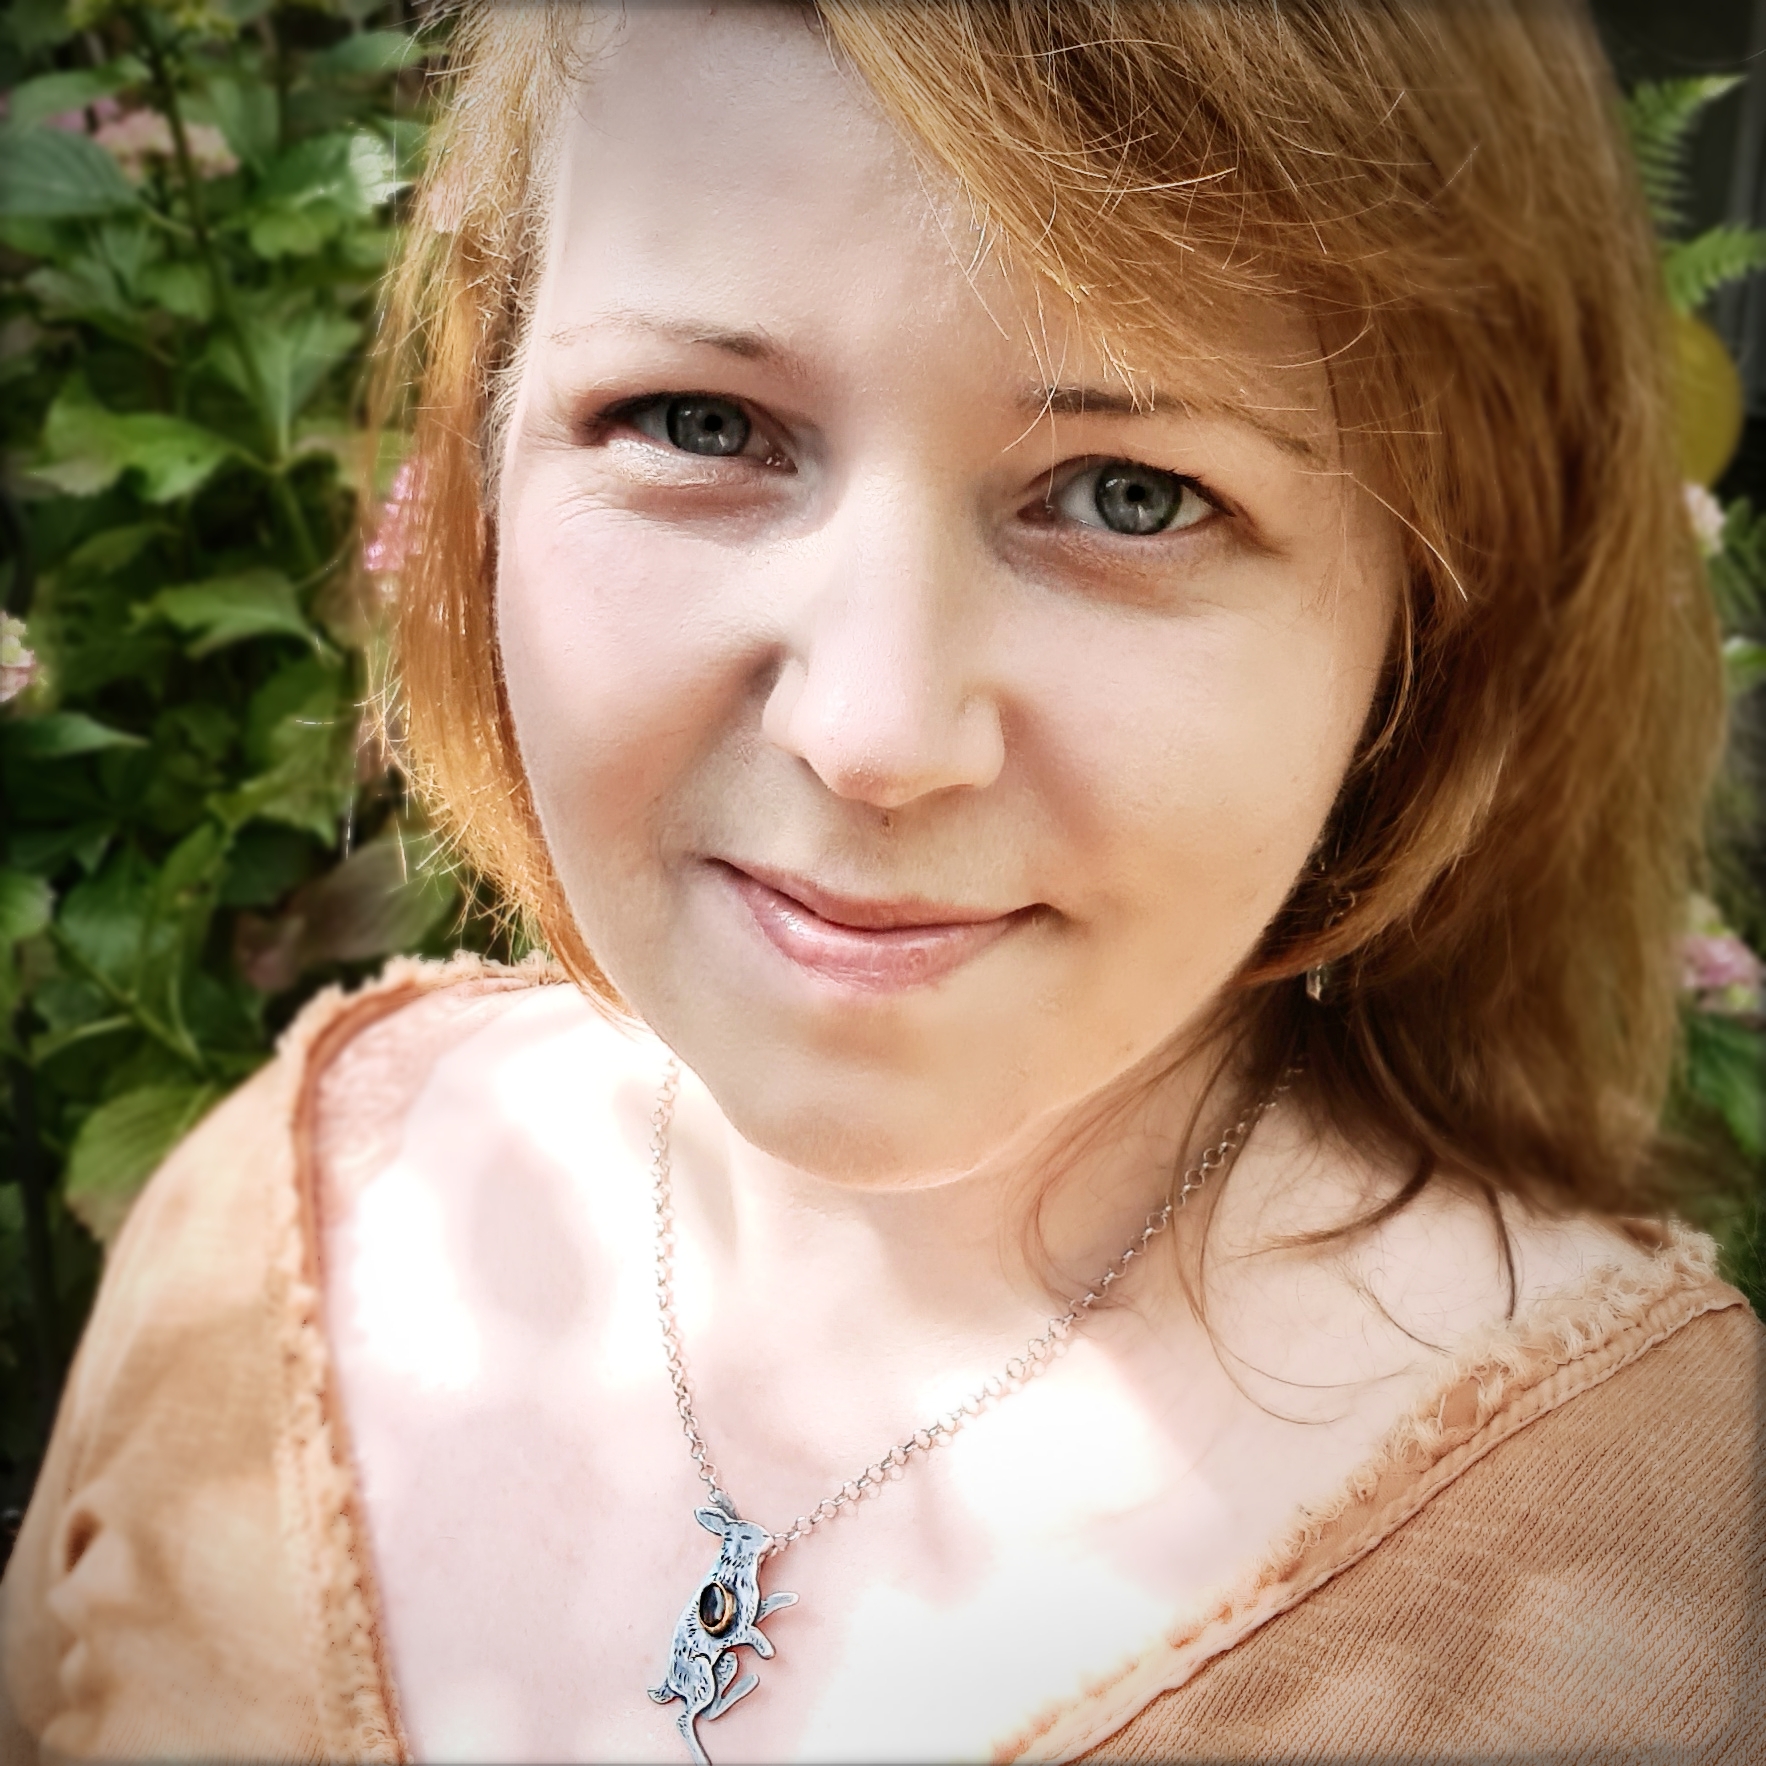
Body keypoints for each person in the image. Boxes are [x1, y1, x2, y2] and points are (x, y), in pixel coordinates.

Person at [1, 2, 1760, 1760]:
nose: (872, 731)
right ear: (489, 450)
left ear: (1431, 620)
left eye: (1131, 494)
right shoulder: (271, 1217)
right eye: (700, 420)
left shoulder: (1676, 1583)